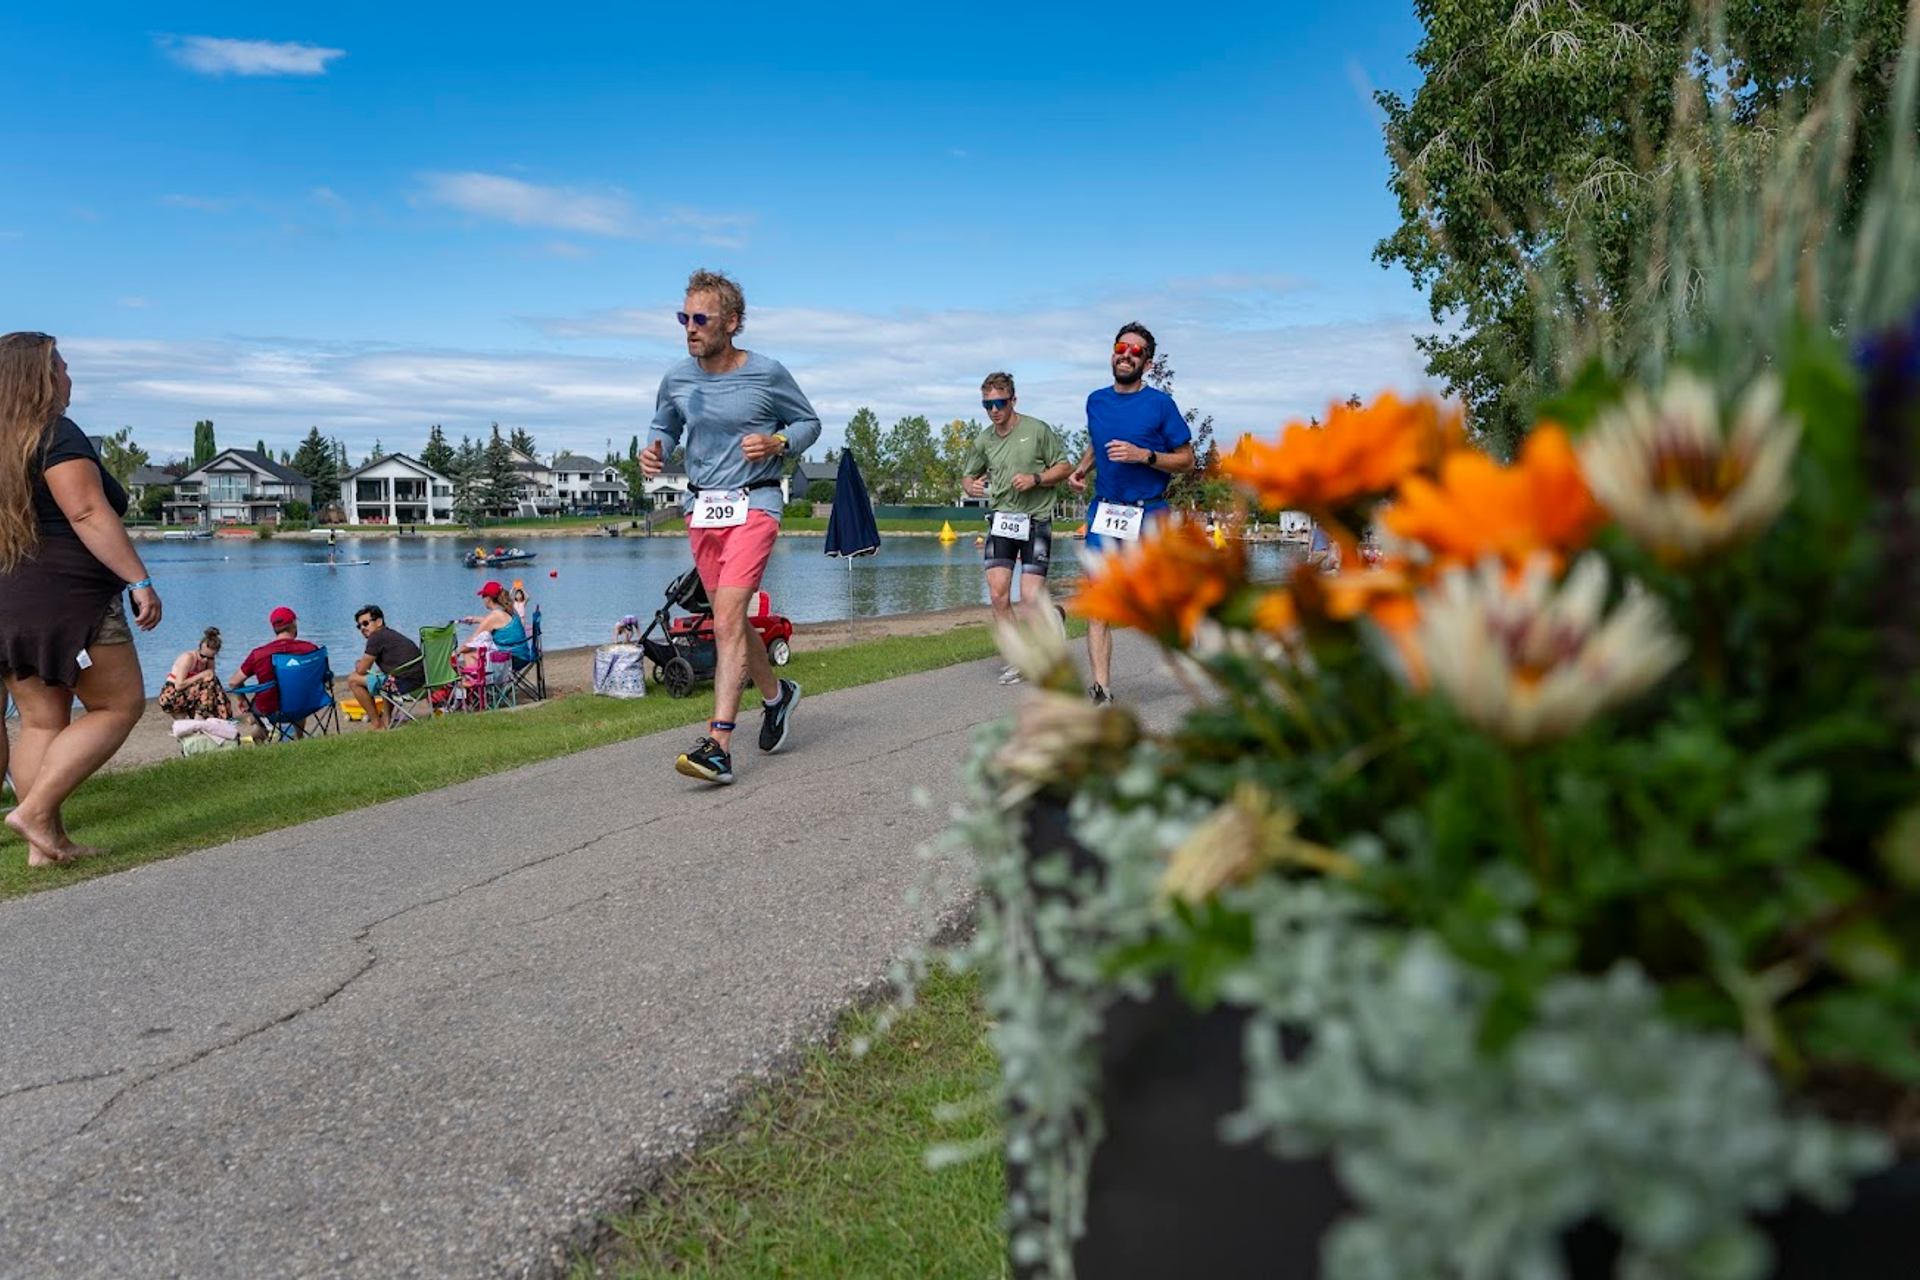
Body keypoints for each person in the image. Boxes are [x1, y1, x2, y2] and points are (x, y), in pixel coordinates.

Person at [639, 268, 819, 785]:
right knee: (730, 619)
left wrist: (779, 444)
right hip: (704, 510)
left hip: (756, 503)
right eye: (684, 318)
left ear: (732, 323)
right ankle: (776, 696)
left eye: (701, 319)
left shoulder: (767, 374)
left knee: (727, 618)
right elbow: (664, 424)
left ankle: (718, 743)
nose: (690, 328)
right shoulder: (677, 378)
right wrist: (654, 451)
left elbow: (808, 423)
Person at [0, 332, 162, 866]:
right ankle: (36, 811)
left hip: (10, 599)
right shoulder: (56, 435)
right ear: (41, 377)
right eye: (63, 366)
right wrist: (139, 580)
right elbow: (88, 513)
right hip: (70, 599)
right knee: (118, 705)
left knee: (42, 721)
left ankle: (44, 847)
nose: (70, 376)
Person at [1067, 322, 1195, 705]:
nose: (1126, 354)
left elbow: (1188, 460)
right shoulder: (1096, 400)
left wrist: (1146, 456)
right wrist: (1081, 469)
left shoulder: (1160, 405)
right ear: (1112, 352)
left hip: (1150, 513)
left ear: (1148, 364)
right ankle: (1101, 690)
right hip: (1105, 513)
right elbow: (1097, 442)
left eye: (1136, 351)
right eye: (1121, 347)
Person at [962, 372, 1071, 685]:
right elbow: (968, 477)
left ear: (1013, 400)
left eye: (999, 403)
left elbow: (1065, 467)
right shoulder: (984, 439)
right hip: (1002, 522)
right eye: (987, 405)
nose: (993, 410)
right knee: (998, 596)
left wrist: (1035, 479)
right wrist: (971, 486)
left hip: (1036, 520)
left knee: (1029, 597)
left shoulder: (1037, 431)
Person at [231, 606, 320, 736]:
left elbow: (234, 682)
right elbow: (325, 677)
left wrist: (241, 699)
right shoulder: (310, 649)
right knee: (297, 691)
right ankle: (299, 736)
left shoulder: (259, 654)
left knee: (257, 706)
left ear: (274, 628)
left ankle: (260, 732)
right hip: (306, 705)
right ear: (294, 623)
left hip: (270, 710)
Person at [347, 604, 423, 730]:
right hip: (421, 682)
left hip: (405, 686)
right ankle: (386, 720)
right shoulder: (390, 635)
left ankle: (377, 724)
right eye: (359, 626)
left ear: (379, 621)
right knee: (383, 676)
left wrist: (358, 664)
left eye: (365, 623)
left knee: (353, 680)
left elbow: (361, 670)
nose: (362, 628)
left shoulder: (376, 637)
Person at [158, 626, 231, 721]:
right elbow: (179, 685)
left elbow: (211, 677)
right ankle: (200, 717)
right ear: (199, 650)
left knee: (213, 681)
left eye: (210, 657)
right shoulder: (188, 658)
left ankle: (219, 714)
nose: (205, 660)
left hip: (189, 693)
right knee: (209, 683)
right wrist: (201, 675)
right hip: (172, 694)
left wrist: (209, 667)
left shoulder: (209, 660)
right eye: (203, 656)